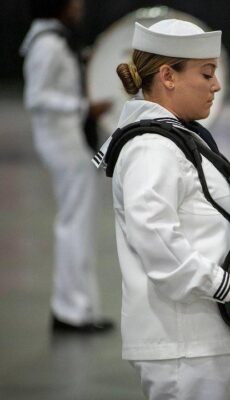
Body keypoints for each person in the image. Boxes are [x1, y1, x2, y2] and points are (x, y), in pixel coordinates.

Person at [93, 19, 230, 400]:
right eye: (206, 74)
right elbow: (158, 242)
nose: (216, 86)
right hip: (183, 345)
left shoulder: (176, 137)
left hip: (205, 337)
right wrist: (228, 286)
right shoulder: (151, 148)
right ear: (168, 76)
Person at [20, 0, 112, 333]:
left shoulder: (55, 39)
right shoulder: (47, 44)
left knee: (79, 225)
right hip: (63, 143)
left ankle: (78, 307)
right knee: (75, 225)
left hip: (70, 141)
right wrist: (83, 107)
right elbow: (36, 97)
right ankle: (71, 309)